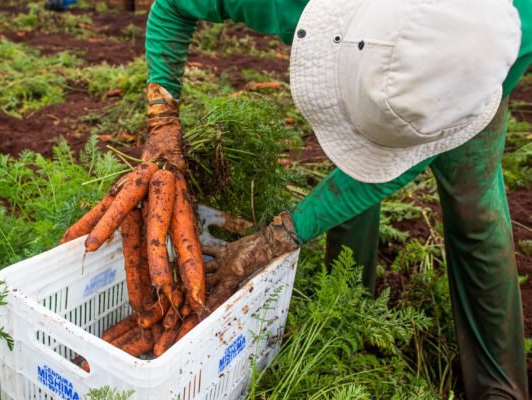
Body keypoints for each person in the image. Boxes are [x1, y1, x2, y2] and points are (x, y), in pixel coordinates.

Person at [139, 0, 532, 397]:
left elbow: (400, 163)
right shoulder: (282, 5)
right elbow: (172, 6)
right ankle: (346, 305)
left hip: (471, 78)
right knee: (354, 159)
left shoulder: (515, 28)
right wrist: (163, 121)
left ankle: (497, 382)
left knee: (474, 204)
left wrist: (281, 235)